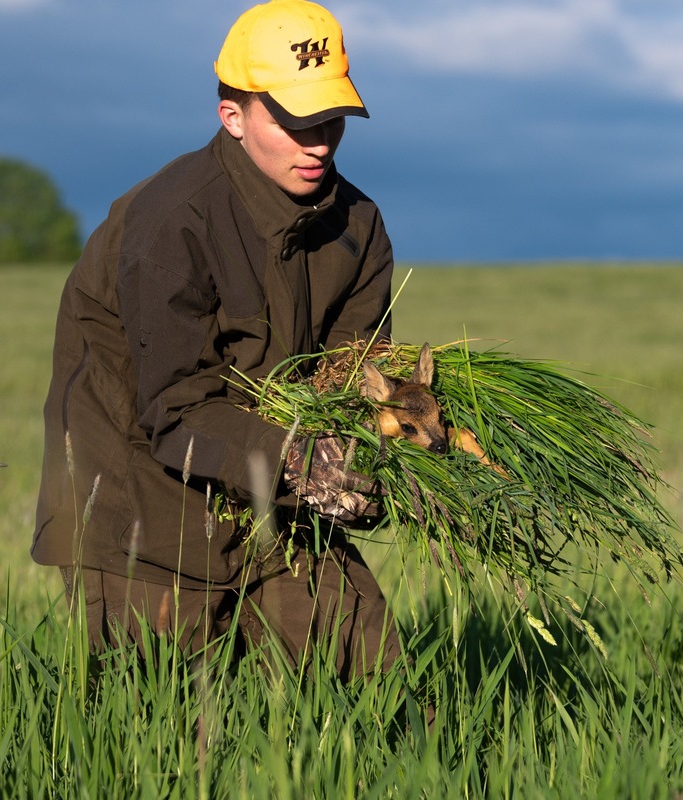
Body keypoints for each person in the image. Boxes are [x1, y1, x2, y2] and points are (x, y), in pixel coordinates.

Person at [31, 0, 400, 680]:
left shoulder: (357, 226)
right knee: (171, 736)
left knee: (375, 688)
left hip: (279, 492)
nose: (318, 140)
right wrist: (298, 460)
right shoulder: (171, 225)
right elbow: (173, 409)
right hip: (143, 507)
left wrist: (381, 445)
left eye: (331, 117)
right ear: (233, 116)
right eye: (293, 120)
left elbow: (354, 373)